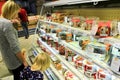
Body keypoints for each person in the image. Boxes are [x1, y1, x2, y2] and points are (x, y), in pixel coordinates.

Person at [0, 0, 28, 80]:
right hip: (15, 61)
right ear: (11, 12)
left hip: (7, 58)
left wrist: (11, 22)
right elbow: (14, 46)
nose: (16, 15)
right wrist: (24, 61)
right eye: (15, 13)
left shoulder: (1, 21)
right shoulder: (7, 24)